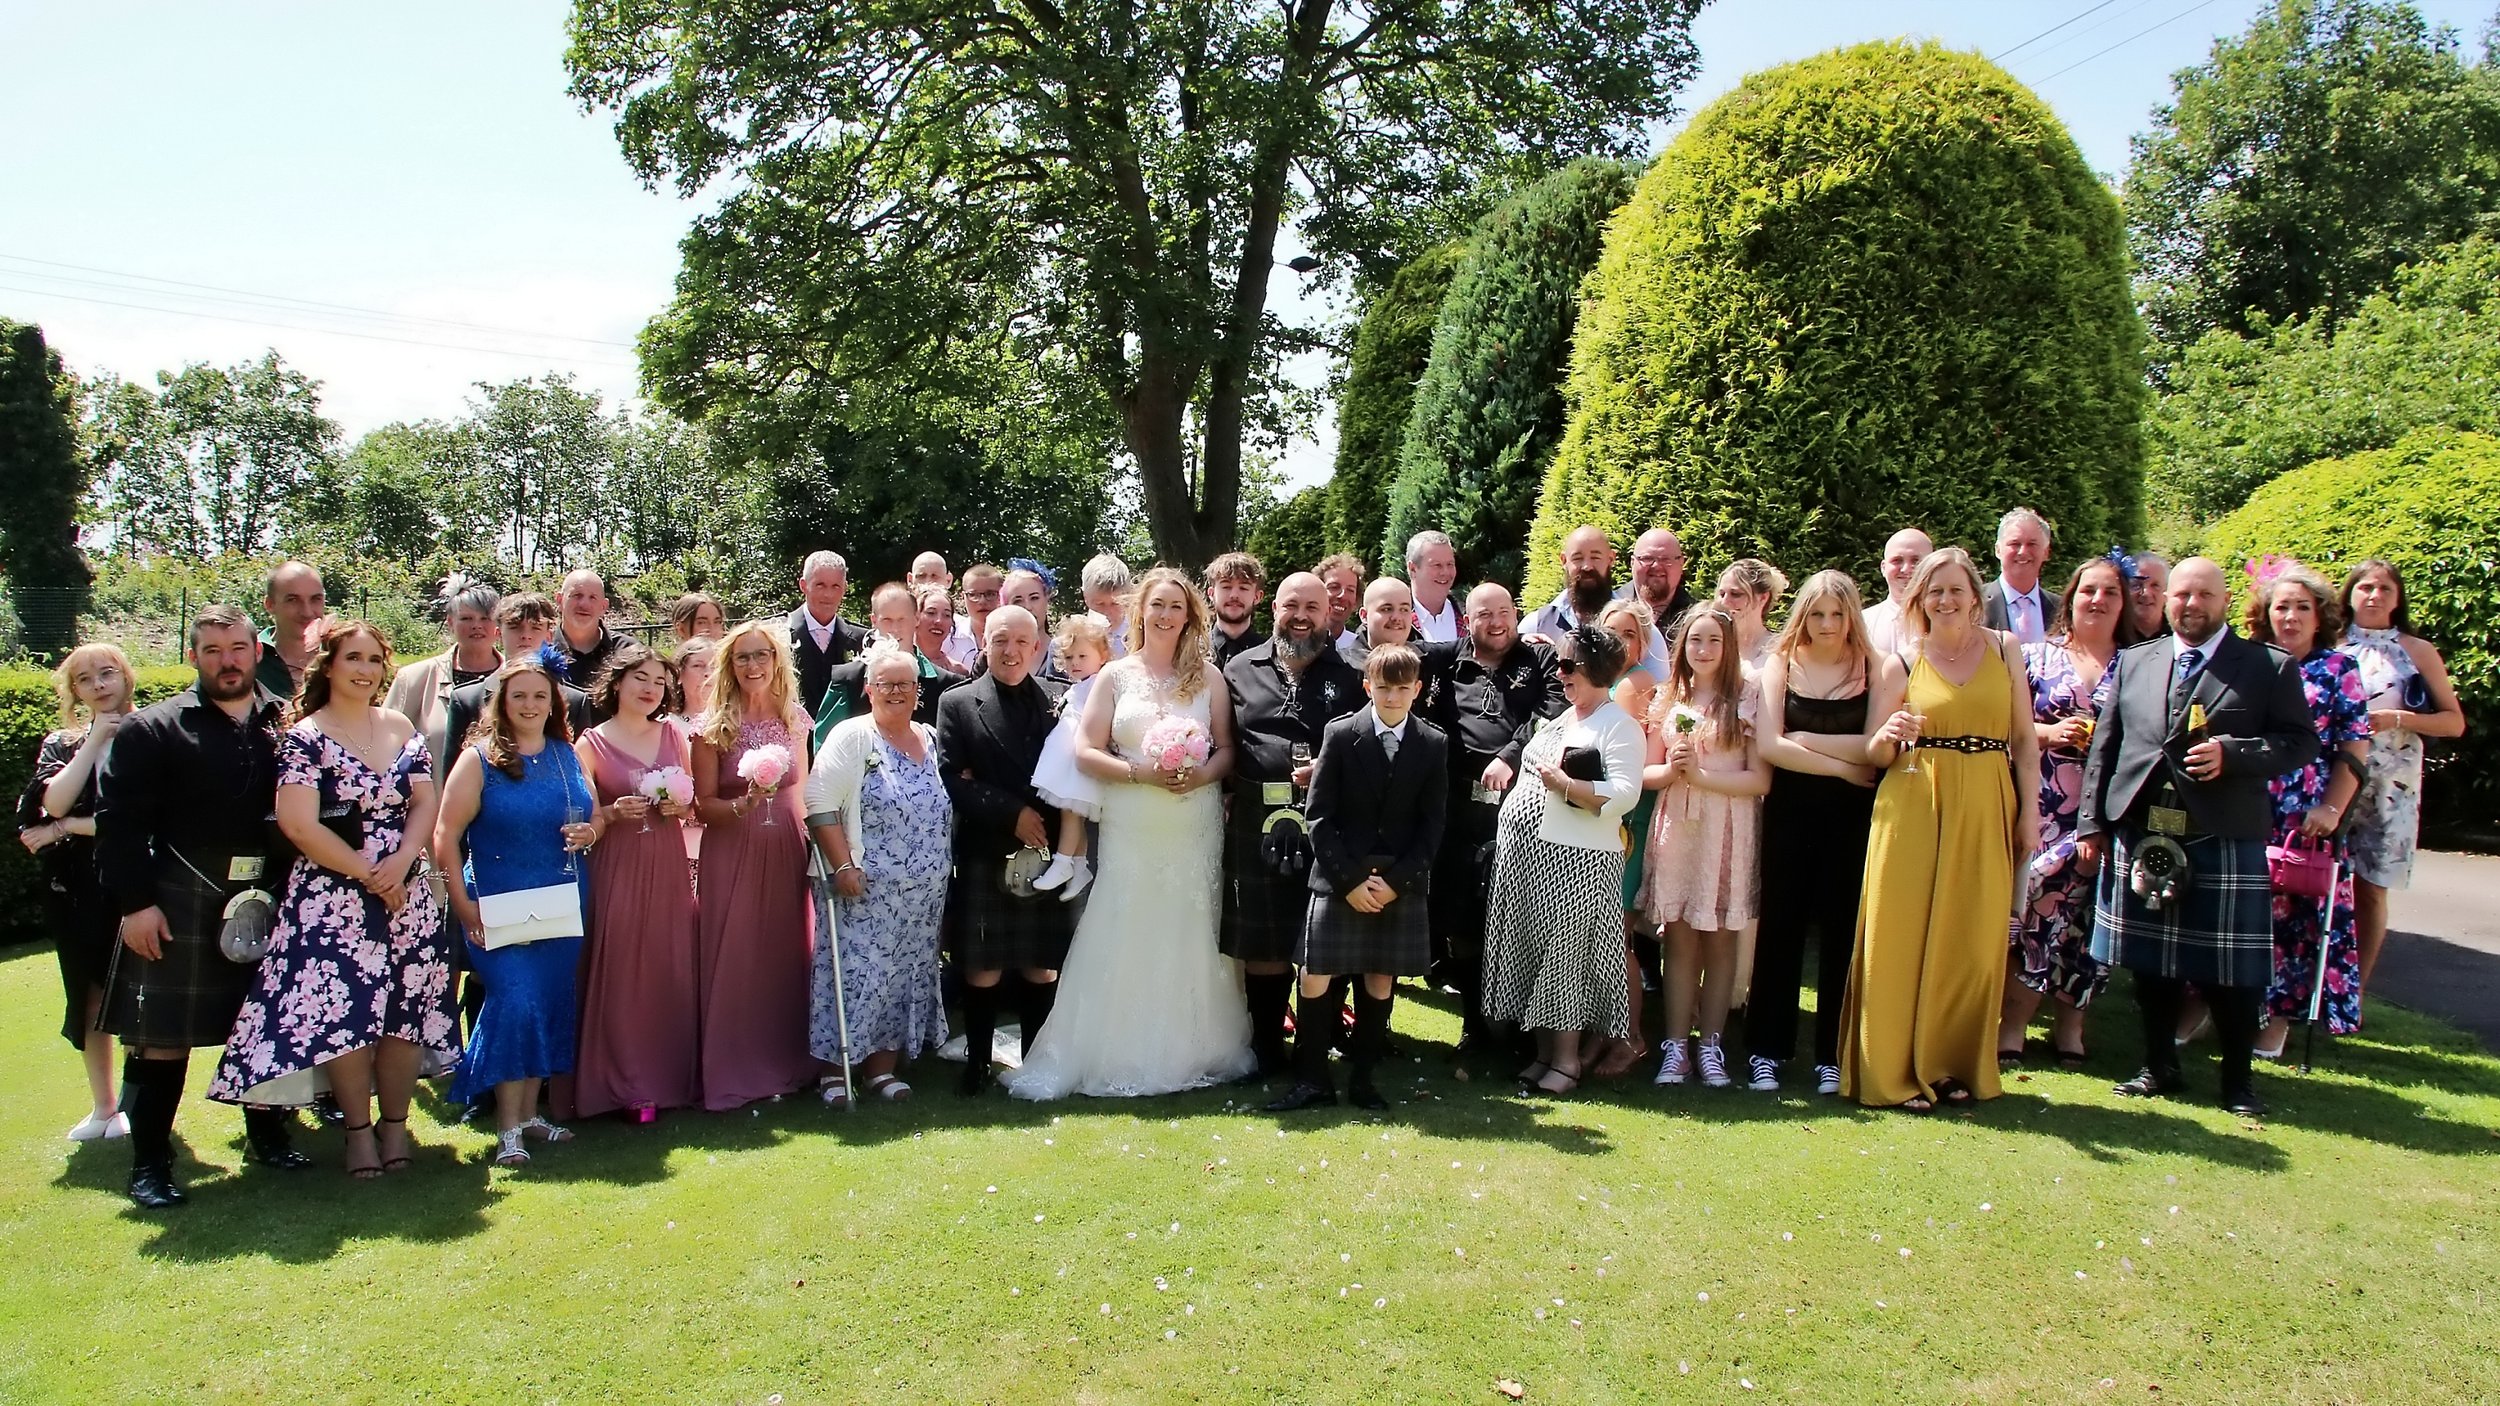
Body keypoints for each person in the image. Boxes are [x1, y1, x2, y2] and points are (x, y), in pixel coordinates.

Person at [208, 621, 456, 1177]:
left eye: (374, 659)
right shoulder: (304, 736)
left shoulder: (400, 727)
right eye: (353, 659)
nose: (365, 670)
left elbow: (424, 804)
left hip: (408, 893)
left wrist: (401, 866)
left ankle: (397, 1127)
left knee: (403, 1016)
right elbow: (298, 823)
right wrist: (371, 875)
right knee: (347, 1016)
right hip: (334, 897)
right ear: (330, 666)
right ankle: (357, 1133)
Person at [2078, 557, 2317, 1117]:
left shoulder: (2266, 666)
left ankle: (2239, 1083)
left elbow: (2298, 742)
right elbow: (2104, 751)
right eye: (2180, 595)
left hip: (2221, 834)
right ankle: (2158, 1066)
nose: (2190, 605)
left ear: (2225, 601)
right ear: (2165, 601)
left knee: (2230, 973)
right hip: (2141, 828)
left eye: (2203, 595)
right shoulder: (2136, 660)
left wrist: (2234, 755)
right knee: (2148, 962)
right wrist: (2091, 824)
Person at [1008, 568, 1258, 1098]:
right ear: (1140, 611)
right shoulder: (1115, 676)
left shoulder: (1208, 677)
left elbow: (1227, 750)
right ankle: (1113, 1046)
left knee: (1190, 922)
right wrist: (1140, 773)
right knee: (1126, 917)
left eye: (1176, 606)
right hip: (1132, 815)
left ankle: (1198, 1046)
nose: (1165, 615)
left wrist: (1200, 776)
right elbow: (1086, 750)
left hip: (1192, 817)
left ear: (1190, 615)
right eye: (1157, 605)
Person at [96, 606, 310, 1208]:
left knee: (265, 1024)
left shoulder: (287, 724)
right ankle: (150, 1164)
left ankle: (268, 1134)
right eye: (213, 650)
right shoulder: (152, 728)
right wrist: (135, 904)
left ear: (256, 652)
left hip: (272, 891)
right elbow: (119, 825)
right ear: (193, 656)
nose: (228, 661)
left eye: (238, 648)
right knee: (161, 1038)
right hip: (180, 898)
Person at [1843, 548, 2040, 1110]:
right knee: (1900, 936)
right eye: (1934, 592)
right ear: (1919, 601)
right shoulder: (1900, 662)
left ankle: (1951, 1065)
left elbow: (2024, 741)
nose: (1945, 600)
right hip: (1913, 802)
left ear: (1975, 595)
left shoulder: (2006, 649)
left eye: (1955, 590)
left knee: (1971, 939)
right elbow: (1875, 752)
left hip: (1986, 799)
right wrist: (1892, 730)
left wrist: (2029, 813)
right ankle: (1894, 1073)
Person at [435, 656, 602, 1167]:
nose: (530, 705)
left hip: (560, 901)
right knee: (515, 1001)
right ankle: (507, 1128)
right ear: (501, 703)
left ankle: (530, 1113)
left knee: (548, 1001)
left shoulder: (564, 754)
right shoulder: (478, 759)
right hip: (497, 902)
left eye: (540, 696)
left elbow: (593, 812)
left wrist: (591, 831)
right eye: (519, 696)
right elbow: (444, 834)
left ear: (553, 702)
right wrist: (463, 907)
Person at [1269, 644, 1449, 1112]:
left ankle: (1364, 1081)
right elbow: (1319, 814)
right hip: (1338, 877)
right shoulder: (1341, 733)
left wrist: (1398, 882)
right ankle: (1312, 1081)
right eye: (1383, 688)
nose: (1392, 697)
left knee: (1380, 978)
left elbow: (1432, 826)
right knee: (1314, 975)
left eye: (1402, 688)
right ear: (1368, 686)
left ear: (1417, 689)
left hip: (1397, 883)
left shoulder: (1433, 743)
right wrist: (1349, 881)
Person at [1481, 625, 1645, 1097]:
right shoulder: (1564, 719)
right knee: (1536, 953)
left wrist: (1567, 787)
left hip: (1577, 865)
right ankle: (1544, 1054)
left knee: (1565, 960)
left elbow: (1624, 793)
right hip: (1532, 860)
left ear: (1594, 670)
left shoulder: (1619, 725)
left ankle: (1568, 1063)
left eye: (1569, 666)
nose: (1561, 673)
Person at [1749, 572, 1890, 1096]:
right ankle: (1766, 1049)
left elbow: (1876, 745)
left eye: (1837, 613)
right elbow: (1768, 745)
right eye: (1816, 614)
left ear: (1852, 614)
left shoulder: (1878, 668)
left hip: (1852, 817)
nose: (1827, 625)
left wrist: (1804, 738)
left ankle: (1831, 1054)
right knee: (1779, 928)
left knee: (1841, 933)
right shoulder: (1780, 666)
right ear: (1801, 616)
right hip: (1790, 812)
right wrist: (1841, 764)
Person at [1221, 571, 1365, 1074]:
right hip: (1256, 815)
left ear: (1329, 615)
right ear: (1274, 608)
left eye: (1312, 607)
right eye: (1291, 606)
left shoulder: (1350, 674)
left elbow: (1364, 745)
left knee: (1321, 936)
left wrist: (1330, 769)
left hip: (1327, 816)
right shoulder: (1239, 668)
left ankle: (1313, 1045)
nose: (1300, 616)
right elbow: (1224, 741)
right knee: (1264, 940)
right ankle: (1265, 1046)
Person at [1417, 583, 1564, 1058]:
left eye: (1506, 611)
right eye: (1485, 614)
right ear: (1467, 620)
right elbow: (1383, 653)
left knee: (1521, 922)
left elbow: (1554, 713)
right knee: (1462, 923)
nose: (1497, 621)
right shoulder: (1442, 659)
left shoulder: (1539, 660)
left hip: (1525, 806)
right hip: (1460, 811)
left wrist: (1510, 754)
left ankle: (1521, 1032)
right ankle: (1475, 1026)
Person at [934, 606, 1075, 1095]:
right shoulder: (956, 703)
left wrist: (1041, 822)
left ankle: (1036, 1061)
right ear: (985, 645)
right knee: (983, 964)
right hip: (988, 847)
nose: (1011, 651)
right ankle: (977, 1064)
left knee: (1042, 962)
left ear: (1037, 648)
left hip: (1050, 849)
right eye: (1000, 641)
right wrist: (1011, 813)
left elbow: (1073, 773)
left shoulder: (1061, 699)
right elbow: (953, 776)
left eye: (1021, 641)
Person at [2001, 554, 2134, 1068]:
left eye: (2110, 593)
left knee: (2086, 922)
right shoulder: (2035, 658)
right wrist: (2050, 733)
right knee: (2030, 914)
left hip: (2106, 815)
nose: (2098, 601)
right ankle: (2011, 1025)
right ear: (2070, 598)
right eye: (2088, 591)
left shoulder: (2139, 665)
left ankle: (2071, 1029)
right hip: (2041, 809)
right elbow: (2005, 726)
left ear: (2123, 604)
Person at [806, 643, 953, 1102]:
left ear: (917, 692)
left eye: (905, 685)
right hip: (863, 889)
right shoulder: (852, 736)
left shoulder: (931, 739)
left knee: (904, 977)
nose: (896, 692)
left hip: (923, 895)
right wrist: (844, 865)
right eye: (885, 684)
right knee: (853, 976)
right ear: (868, 689)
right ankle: (834, 1072)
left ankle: (882, 1069)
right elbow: (819, 805)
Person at [2236, 561, 2372, 1058]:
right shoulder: (2251, 661)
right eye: (2280, 607)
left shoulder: (2339, 670)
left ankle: (2279, 1021)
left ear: (2321, 617)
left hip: (2305, 818)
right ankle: (2216, 1006)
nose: (2290, 617)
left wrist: (2333, 809)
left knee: (2297, 924)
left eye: (2301, 608)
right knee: (2237, 912)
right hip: (2247, 805)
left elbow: (2355, 748)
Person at [692, 622, 821, 1109]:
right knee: (736, 953)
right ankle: (733, 1066)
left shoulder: (795, 719)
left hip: (787, 843)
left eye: (761, 655)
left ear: (776, 660)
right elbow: (702, 805)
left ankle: (789, 1060)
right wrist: (743, 806)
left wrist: (816, 844)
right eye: (742, 657)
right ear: (729, 665)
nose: (753, 666)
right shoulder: (711, 728)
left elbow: (804, 793)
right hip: (732, 846)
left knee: (786, 951)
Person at [573, 643, 703, 1121]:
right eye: (640, 679)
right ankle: (622, 1084)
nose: (651, 689)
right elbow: (585, 816)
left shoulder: (675, 735)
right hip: (619, 865)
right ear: (617, 683)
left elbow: (691, 803)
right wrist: (611, 811)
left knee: (668, 965)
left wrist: (679, 807)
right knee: (623, 969)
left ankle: (668, 1079)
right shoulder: (590, 742)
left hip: (668, 863)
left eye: (658, 682)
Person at [1643, 607, 1769, 1089]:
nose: (1704, 650)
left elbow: (1759, 778)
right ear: (1683, 647)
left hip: (1728, 826)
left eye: (1714, 641)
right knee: (1679, 937)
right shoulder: (1669, 697)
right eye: (1696, 640)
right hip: (1679, 823)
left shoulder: (1746, 698)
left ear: (1728, 646)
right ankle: (1675, 1047)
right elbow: (1647, 775)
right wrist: (1674, 772)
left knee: (1720, 938)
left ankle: (1711, 1044)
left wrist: (1702, 776)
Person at [19, 643, 136, 1142]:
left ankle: (138, 1105)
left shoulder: (155, 733)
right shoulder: (62, 743)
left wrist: (62, 828)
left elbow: (138, 824)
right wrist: (91, 742)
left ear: (127, 677)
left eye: (108, 673)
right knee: (87, 995)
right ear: (74, 692)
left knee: (139, 994)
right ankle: (103, 1107)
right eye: (86, 680)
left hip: (136, 881)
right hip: (76, 889)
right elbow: (51, 801)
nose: (99, 685)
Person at [2340, 559, 2466, 993]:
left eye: (2384, 589)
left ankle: (2354, 993)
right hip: (2335, 779)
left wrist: (2401, 718)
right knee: (2316, 880)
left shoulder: (2416, 651)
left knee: (2372, 887)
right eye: (2365, 587)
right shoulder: (2330, 645)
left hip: (2392, 788)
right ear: (2350, 594)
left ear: (2398, 599)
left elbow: (2454, 722)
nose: (2374, 596)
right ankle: (2309, 984)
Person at [1594, 598, 1661, 1080]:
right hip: (1604, 821)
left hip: (1627, 825)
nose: (1620, 643)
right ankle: (1604, 1032)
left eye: (1630, 635)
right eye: (1611, 632)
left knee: (1616, 938)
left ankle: (1631, 1037)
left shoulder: (1634, 687)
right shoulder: (1605, 684)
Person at [440, 593, 596, 754]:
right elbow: (453, 774)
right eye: (515, 627)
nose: (525, 636)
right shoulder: (466, 700)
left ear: (549, 636)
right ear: (498, 634)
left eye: (535, 628)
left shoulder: (575, 701)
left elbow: (582, 770)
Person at [1029, 613, 1114, 900]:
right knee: (1071, 811)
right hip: (1068, 757)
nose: (1075, 663)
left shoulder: (1099, 684)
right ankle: (1079, 867)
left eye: (1082, 656)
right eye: (1069, 658)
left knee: (1071, 812)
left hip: (1079, 757)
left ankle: (1063, 861)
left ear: (1102, 656)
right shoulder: (1078, 686)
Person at [387, 576, 502, 774]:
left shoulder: (517, 679)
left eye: (485, 618)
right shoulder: (414, 679)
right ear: (450, 622)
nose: (477, 625)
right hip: (433, 800)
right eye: (466, 618)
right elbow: (385, 743)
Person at [813, 582, 956, 737]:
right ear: (874, 621)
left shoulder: (945, 684)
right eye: (887, 620)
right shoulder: (848, 680)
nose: (895, 628)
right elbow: (825, 744)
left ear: (916, 619)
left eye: (902, 619)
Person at [789, 550, 868, 719]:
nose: (828, 595)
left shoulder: (863, 641)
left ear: (844, 589)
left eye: (835, 586)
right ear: (803, 585)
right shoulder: (778, 635)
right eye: (820, 585)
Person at [1982, 507, 2061, 646]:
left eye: (2032, 544)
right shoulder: (1975, 603)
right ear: (1998, 550)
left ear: (2046, 552)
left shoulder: (2061, 609)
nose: (2023, 551)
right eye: (2015, 544)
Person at [256, 560, 328, 699]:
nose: (307, 612)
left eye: (315, 599)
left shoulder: (340, 656)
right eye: (293, 600)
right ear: (270, 605)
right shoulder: (247, 660)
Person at [554, 569, 626, 696]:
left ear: (603, 607)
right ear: (560, 600)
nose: (584, 604)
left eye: (593, 597)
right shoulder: (540, 651)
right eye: (577, 595)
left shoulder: (628, 651)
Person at [1862, 528, 1933, 654]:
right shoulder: (1863, 623)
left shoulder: (1947, 621)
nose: (1906, 569)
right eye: (1897, 561)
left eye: (1916, 561)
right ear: (1883, 568)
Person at [1629, 529, 1692, 669]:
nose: (1657, 566)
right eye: (1647, 558)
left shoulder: (1695, 618)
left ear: (1681, 563)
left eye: (1666, 559)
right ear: (1632, 562)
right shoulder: (1609, 607)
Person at [1714, 558, 1787, 673]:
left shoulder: (1781, 649)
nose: (1724, 602)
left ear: (1763, 598)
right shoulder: (1712, 645)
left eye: (1736, 594)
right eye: (1722, 594)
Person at [1339, 575, 1417, 672]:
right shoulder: (1343, 667)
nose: (1397, 617)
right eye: (1387, 609)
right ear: (1364, 616)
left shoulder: (1428, 661)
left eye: (1404, 609)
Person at [1205, 551, 1269, 667]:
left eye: (1243, 588)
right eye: (1226, 587)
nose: (1234, 595)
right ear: (1211, 594)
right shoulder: (1191, 652)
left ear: (1257, 596)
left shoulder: (1271, 655)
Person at [1405, 531, 1464, 643]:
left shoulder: (1468, 619)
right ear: (1413, 569)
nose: (1445, 572)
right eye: (1437, 565)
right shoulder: (1396, 622)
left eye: (1450, 564)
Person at [1081, 554, 1134, 658]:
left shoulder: (1143, 636)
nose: (1108, 611)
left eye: (1115, 603)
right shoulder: (1075, 640)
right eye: (1099, 604)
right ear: (1085, 597)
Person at [915, 584, 973, 677]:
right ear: (916, 618)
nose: (939, 621)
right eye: (931, 613)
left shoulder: (958, 671)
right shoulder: (896, 662)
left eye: (946, 615)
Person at [959, 562, 1007, 669]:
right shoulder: (948, 637)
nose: (982, 601)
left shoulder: (1015, 637)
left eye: (990, 594)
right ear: (963, 597)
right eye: (973, 595)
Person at [1316, 553, 1366, 647]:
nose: (1343, 595)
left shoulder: (1360, 651)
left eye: (1350, 590)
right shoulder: (1299, 643)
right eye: (1334, 587)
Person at [2128, 553, 2172, 641]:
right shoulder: (2110, 633)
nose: (2146, 593)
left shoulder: (2179, 635)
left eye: (2155, 585)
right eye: (2137, 585)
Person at [674, 635, 718, 719]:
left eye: (714, 666)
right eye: (698, 666)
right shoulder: (665, 726)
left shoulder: (736, 722)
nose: (708, 673)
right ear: (679, 673)